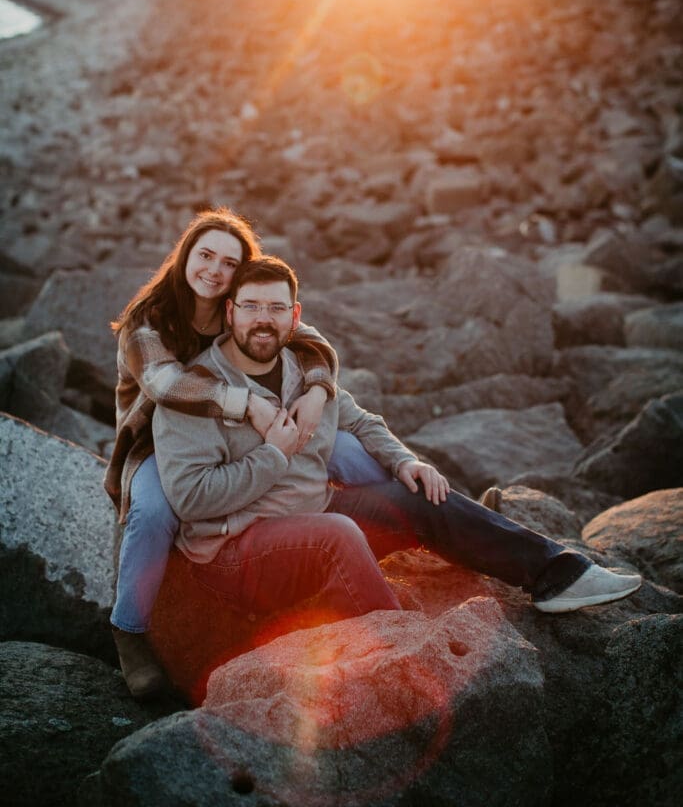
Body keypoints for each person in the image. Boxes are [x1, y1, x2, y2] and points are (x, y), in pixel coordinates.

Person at [152, 256, 642, 642]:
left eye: (277, 308)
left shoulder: (303, 372)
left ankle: (557, 574)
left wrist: (406, 460)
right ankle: (405, 652)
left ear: (295, 316)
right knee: (338, 535)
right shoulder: (196, 392)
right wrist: (273, 456)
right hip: (235, 555)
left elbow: (361, 421)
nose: (264, 320)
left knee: (417, 495)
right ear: (230, 312)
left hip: (315, 509)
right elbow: (191, 499)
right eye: (252, 307)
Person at [104, 209, 385, 698]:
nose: (214, 270)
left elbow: (310, 340)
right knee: (153, 512)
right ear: (184, 256)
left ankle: (423, 500)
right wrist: (247, 403)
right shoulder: (147, 322)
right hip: (160, 444)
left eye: (229, 263)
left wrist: (318, 388)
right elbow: (165, 385)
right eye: (205, 255)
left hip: (239, 430)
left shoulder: (239, 307)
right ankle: (129, 632)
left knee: (347, 448)